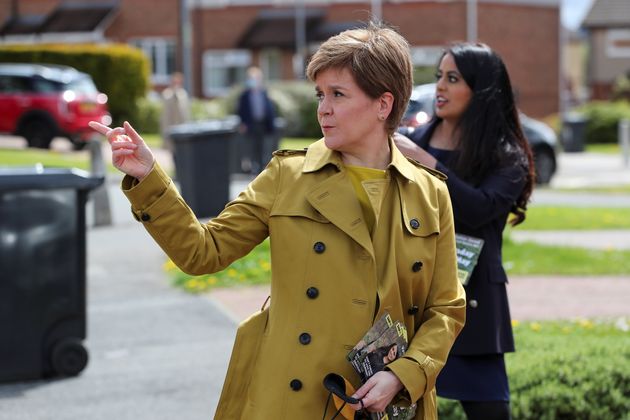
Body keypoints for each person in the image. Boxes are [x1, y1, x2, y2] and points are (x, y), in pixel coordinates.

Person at [89, 22, 465, 419]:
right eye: (320, 94)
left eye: (338, 94)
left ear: (383, 105)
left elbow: (446, 310)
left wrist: (404, 375)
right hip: (293, 398)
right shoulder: (288, 175)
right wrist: (149, 178)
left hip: (384, 403)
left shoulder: (429, 192)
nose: (323, 108)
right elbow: (203, 252)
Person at [394, 42, 535, 420]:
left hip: (473, 306)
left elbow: (478, 210)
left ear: (482, 89)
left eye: (452, 78)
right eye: (439, 76)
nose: (439, 86)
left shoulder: (507, 155)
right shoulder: (414, 141)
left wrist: (426, 162)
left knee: (490, 411)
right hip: (416, 299)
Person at [236, 66, 276, 174]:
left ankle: (264, 170)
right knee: (253, 148)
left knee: (264, 148)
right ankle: (255, 169)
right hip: (251, 125)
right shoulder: (244, 95)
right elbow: (241, 110)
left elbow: (269, 109)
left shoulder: (264, 92)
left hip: (263, 124)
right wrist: (243, 124)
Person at [160, 71, 190, 167]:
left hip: (182, 127)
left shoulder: (183, 94)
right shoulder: (167, 94)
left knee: (182, 150)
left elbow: (184, 111)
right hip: (171, 127)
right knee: (173, 151)